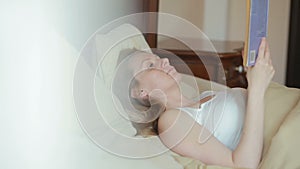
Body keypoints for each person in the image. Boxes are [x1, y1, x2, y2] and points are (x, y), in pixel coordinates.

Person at [112, 38, 275, 169]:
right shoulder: (171, 121)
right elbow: (242, 165)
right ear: (140, 92)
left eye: (158, 58)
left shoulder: (206, 95)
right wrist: (257, 88)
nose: (165, 60)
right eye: (150, 65)